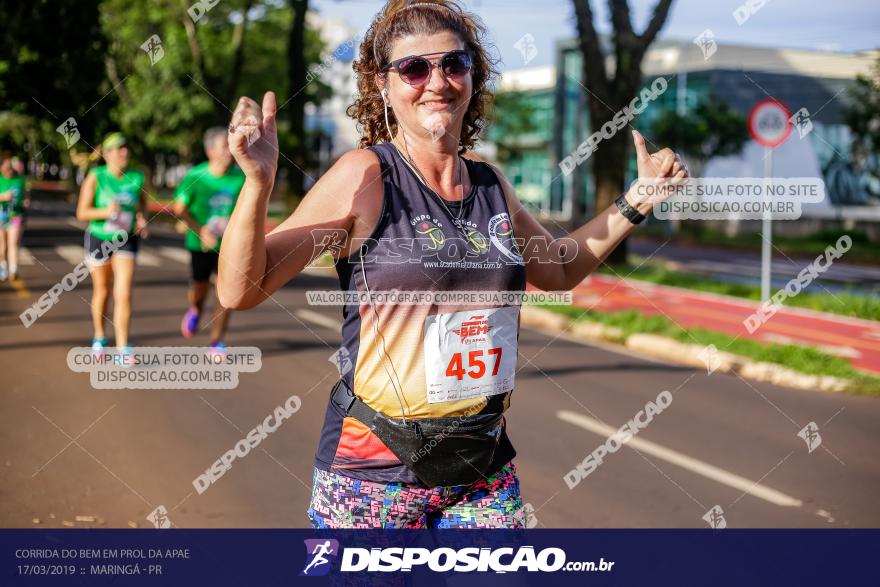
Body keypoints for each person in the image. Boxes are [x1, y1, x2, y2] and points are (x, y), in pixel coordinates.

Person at [218, 0, 688, 529]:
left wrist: (638, 200)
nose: (436, 80)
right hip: (373, 475)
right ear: (383, 85)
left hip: (480, 470)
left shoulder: (490, 183)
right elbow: (241, 290)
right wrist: (256, 186)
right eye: (414, 68)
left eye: (453, 64)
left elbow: (557, 268)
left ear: (472, 75)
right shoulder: (365, 177)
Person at [173, 128, 245, 356]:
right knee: (200, 288)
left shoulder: (241, 177)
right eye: (225, 145)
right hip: (200, 244)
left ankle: (216, 342)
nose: (229, 151)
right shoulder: (195, 177)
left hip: (229, 246)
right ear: (210, 150)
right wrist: (200, 230)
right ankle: (195, 308)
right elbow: (179, 209)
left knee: (225, 292)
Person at [76, 133, 147, 357]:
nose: (124, 152)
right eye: (118, 148)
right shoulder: (96, 177)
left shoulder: (137, 178)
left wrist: (142, 219)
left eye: (126, 148)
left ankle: (123, 347)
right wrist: (106, 211)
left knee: (124, 292)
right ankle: (99, 336)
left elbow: (143, 207)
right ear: (107, 154)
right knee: (103, 291)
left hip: (125, 239)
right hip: (99, 237)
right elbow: (81, 213)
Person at [0, 155, 27, 281]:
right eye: (5, 167)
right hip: (1, 215)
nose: (8, 169)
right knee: (2, 245)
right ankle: (3, 266)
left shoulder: (20, 180)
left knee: (13, 243)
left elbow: (25, 195)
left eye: (10, 167)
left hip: (16, 215)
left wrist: (26, 200)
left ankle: (14, 269)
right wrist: (3, 197)